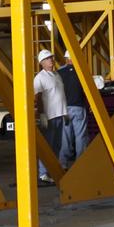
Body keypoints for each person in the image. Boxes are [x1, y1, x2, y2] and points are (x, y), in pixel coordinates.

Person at [33, 48, 67, 185]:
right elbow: (37, 97)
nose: (51, 60)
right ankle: (43, 173)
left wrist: (65, 113)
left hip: (59, 114)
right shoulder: (40, 78)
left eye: (51, 58)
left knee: (57, 145)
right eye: (48, 59)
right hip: (49, 117)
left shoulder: (56, 75)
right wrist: (41, 114)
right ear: (41, 63)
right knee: (48, 146)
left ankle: (53, 171)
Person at [57, 50, 89, 168]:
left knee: (65, 136)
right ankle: (81, 162)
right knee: (80, 135)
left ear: (66, 59)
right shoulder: (81, 72)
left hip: (64, 108)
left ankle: (63, 163)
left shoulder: (59, 73)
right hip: (78, 107)